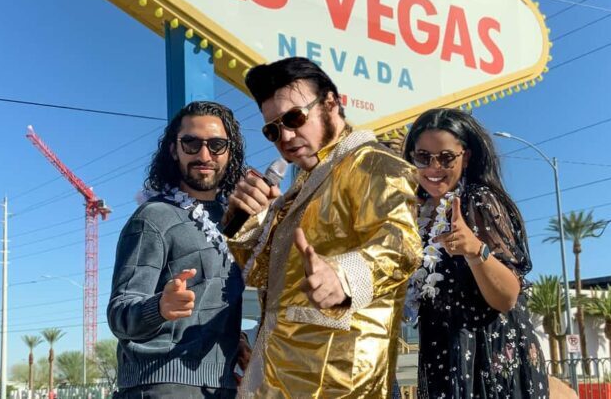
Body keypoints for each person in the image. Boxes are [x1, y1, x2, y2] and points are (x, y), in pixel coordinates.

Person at [225, 57, 422, 398]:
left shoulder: (373, 162)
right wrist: (246, 218)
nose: (284, 136)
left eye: (294, 118)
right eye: (272, 129)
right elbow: (260, 277)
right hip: (280, 371)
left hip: (337, 378)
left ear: (331, 103)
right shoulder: (302, 185)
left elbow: (402, 243)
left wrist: (346, 277)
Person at [402, 108, 549, 399]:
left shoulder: (477, 200)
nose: (433, 167)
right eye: (423, 157)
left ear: (465, 157)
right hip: (441, 355)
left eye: (446, 158)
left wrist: (474, 250)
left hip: (486, 362)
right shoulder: (420, 212)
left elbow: (507, 296)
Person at [107, 101, 249, 399]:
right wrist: (158, 307)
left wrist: (236, 343)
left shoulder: (234, 221)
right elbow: (119, 312)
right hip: (160, 386)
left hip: (221, 387)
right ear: (173, 150)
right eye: (191, 143)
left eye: (216, 144)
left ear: (229, 151)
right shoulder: (154, 217)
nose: (204, 154)